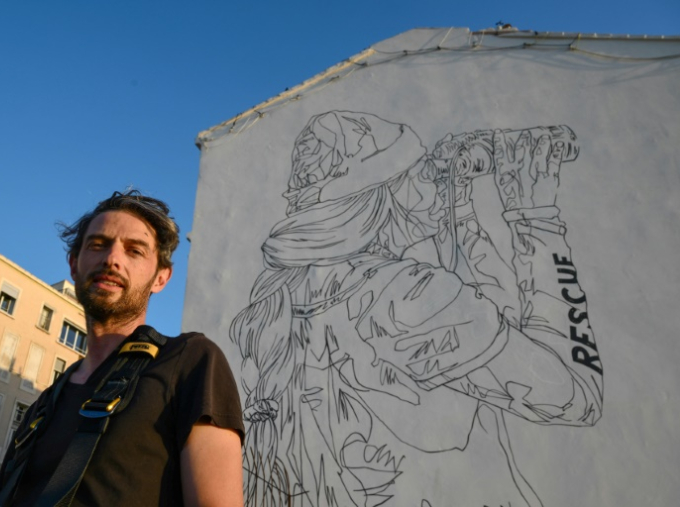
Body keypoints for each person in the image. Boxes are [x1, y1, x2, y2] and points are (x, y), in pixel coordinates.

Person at [232, 111, 603, 506]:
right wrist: (535, 217)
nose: (430, 182)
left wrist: (461, 216)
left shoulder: (281, 293)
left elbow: (487, 319)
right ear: (378, 195)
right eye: (416, 172)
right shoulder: (404, 294)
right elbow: (579, 398)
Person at [0, 190, 244, 506]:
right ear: (74, 265)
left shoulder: (190, 361)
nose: (112, 259)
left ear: (161, 278)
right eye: (98, 245)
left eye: (134, 251)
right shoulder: (39, 409)